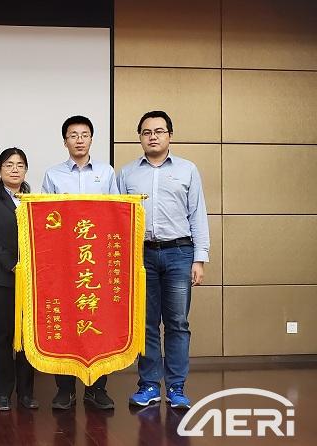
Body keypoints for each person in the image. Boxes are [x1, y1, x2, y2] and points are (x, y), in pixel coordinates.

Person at [118, 110, 209, 409]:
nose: (153, 136)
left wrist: (200, 259)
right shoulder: (127, 173)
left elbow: (197, 215)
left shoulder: (187, 170)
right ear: (140, 137)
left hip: (179, 253)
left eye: (159, 131)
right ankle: (148, 386)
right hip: (141, 255)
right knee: (145, 324)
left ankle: (176, 388)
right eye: (146, 132)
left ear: (170, 135)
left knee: (177, 323)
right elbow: (119, 221)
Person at [41, 115, 118, 410]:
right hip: (64, 262)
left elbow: (116, 214)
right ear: (65, 142)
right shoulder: (53, 175)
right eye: (73, 135)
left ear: (91, 139)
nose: (79, 140)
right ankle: (65, 389)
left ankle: (97, 388)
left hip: (96, 262)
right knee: (66, 320)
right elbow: (45, 219)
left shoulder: (107, 173)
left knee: (98, 319)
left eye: (84, 134)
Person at [0, 148, 38, 411]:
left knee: (27, 336)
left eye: (20, 165)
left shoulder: (35, 201)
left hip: (31, 280)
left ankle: (26, 393)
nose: (15, 169)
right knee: (3, 335)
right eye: (9, 164)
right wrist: (13, 265)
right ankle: (2, 392)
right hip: (0, 278)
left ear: (26, 170)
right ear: (0, 169)